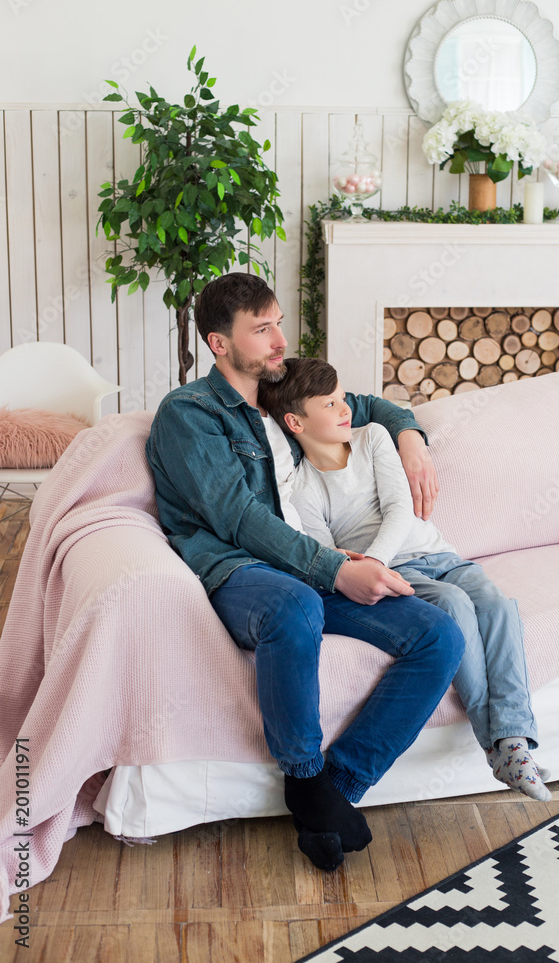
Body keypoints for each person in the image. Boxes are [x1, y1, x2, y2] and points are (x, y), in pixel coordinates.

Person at [146, 272, 465, 871]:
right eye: (261, 329)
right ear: (219, 344)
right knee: (296, 605)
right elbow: (236, 517)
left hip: (309, 566)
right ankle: (303, 774)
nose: (278, 340)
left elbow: (372, 406)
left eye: (279, 323)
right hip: (239, 571)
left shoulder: (278, 397)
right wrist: (333, 568)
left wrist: (411, 437)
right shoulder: (188, 414)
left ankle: (333, 790)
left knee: (439, 633)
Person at [258, 356, 552, 803]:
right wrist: (370, 568)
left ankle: (510, 739)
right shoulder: (302, 487)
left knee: (497, 604)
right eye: (330, 403)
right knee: (451, 605)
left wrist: (371, 559)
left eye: (342, 398)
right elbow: (326, 553)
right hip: (404, 572)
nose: (344, 409)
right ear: (295, 421)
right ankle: (503, 746)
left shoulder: (374, 438)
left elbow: (400, 509)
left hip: (436, 552)